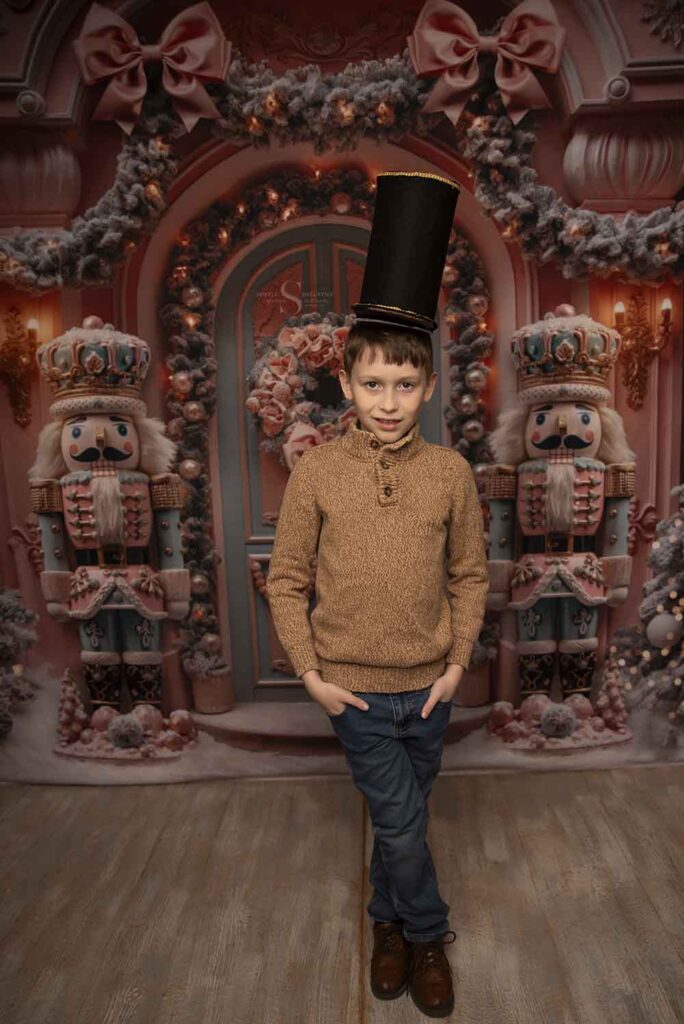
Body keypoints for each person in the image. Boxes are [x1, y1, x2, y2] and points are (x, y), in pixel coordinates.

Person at [265, 171, 489, 1018]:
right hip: (354, 692)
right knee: (401, 826)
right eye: (371, 385)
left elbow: (469, 574)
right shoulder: (318, 471)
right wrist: (315, 676)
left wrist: (458, 662)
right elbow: (286, 579)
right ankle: (429, 937)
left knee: (403, 828)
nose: (388, 402)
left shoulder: (451, 475)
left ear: (426, 389)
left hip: (427, 690)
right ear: (346, 388)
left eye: (404, 386)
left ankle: (385, 924)